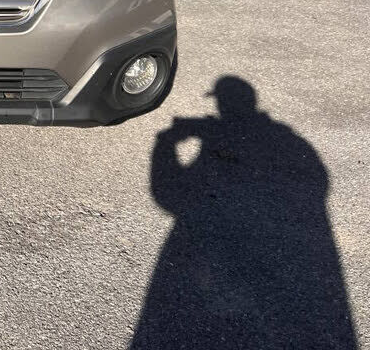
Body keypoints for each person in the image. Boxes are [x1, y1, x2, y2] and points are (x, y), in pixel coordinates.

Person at [131, 76, 356, 349]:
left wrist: (165, 143)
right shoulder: (292, 141)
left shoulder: (238, 137)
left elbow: (168, 196)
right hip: (288, 255)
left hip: (217, 251)